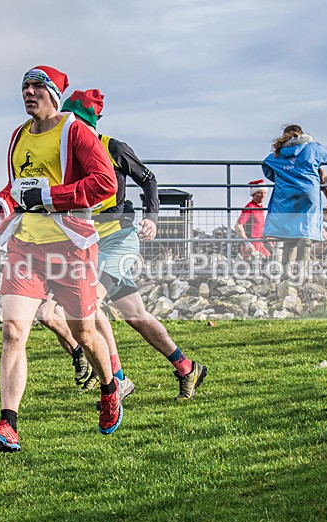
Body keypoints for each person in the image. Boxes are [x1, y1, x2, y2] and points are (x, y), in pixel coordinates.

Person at [0, 66, 123, 452]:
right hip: (25, 246)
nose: (29, 92)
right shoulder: (18, 135)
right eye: (24, 86)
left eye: (37, 86)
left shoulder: (75, 132)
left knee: (85, 333)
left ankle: (110, 389)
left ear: (55, 94)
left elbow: (106, 184)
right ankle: (9, 425)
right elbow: (17, 185)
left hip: (71, 248)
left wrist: (50, 198)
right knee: (12, 332)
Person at [37, 89, 207, 402]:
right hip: (86, 241)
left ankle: (117, 378)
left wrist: (152, 216)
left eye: (73, 122)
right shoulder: (63, 158)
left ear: (86, 123)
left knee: (90, 300)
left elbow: (149, 179)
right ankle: (187, 367)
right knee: (136, 315)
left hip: (119, 236)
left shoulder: (112, 147)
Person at [262, 124, 327, 279]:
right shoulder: (312, 148)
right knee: (305, 232)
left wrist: (284, 175)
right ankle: (301, 273)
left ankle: (286, 275)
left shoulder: (277, 155)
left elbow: (267, 168)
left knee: (289, 234)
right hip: (308, 193)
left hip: (285, 196)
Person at [234, 179, 272, 259]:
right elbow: (238, 225)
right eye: (260, 193)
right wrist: (247, 243)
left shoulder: (261, 208)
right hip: (251, 245)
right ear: (254, 194)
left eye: (264, 193)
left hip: (260, 244)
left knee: (270, 261)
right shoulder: (250, 207)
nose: (263, 195)